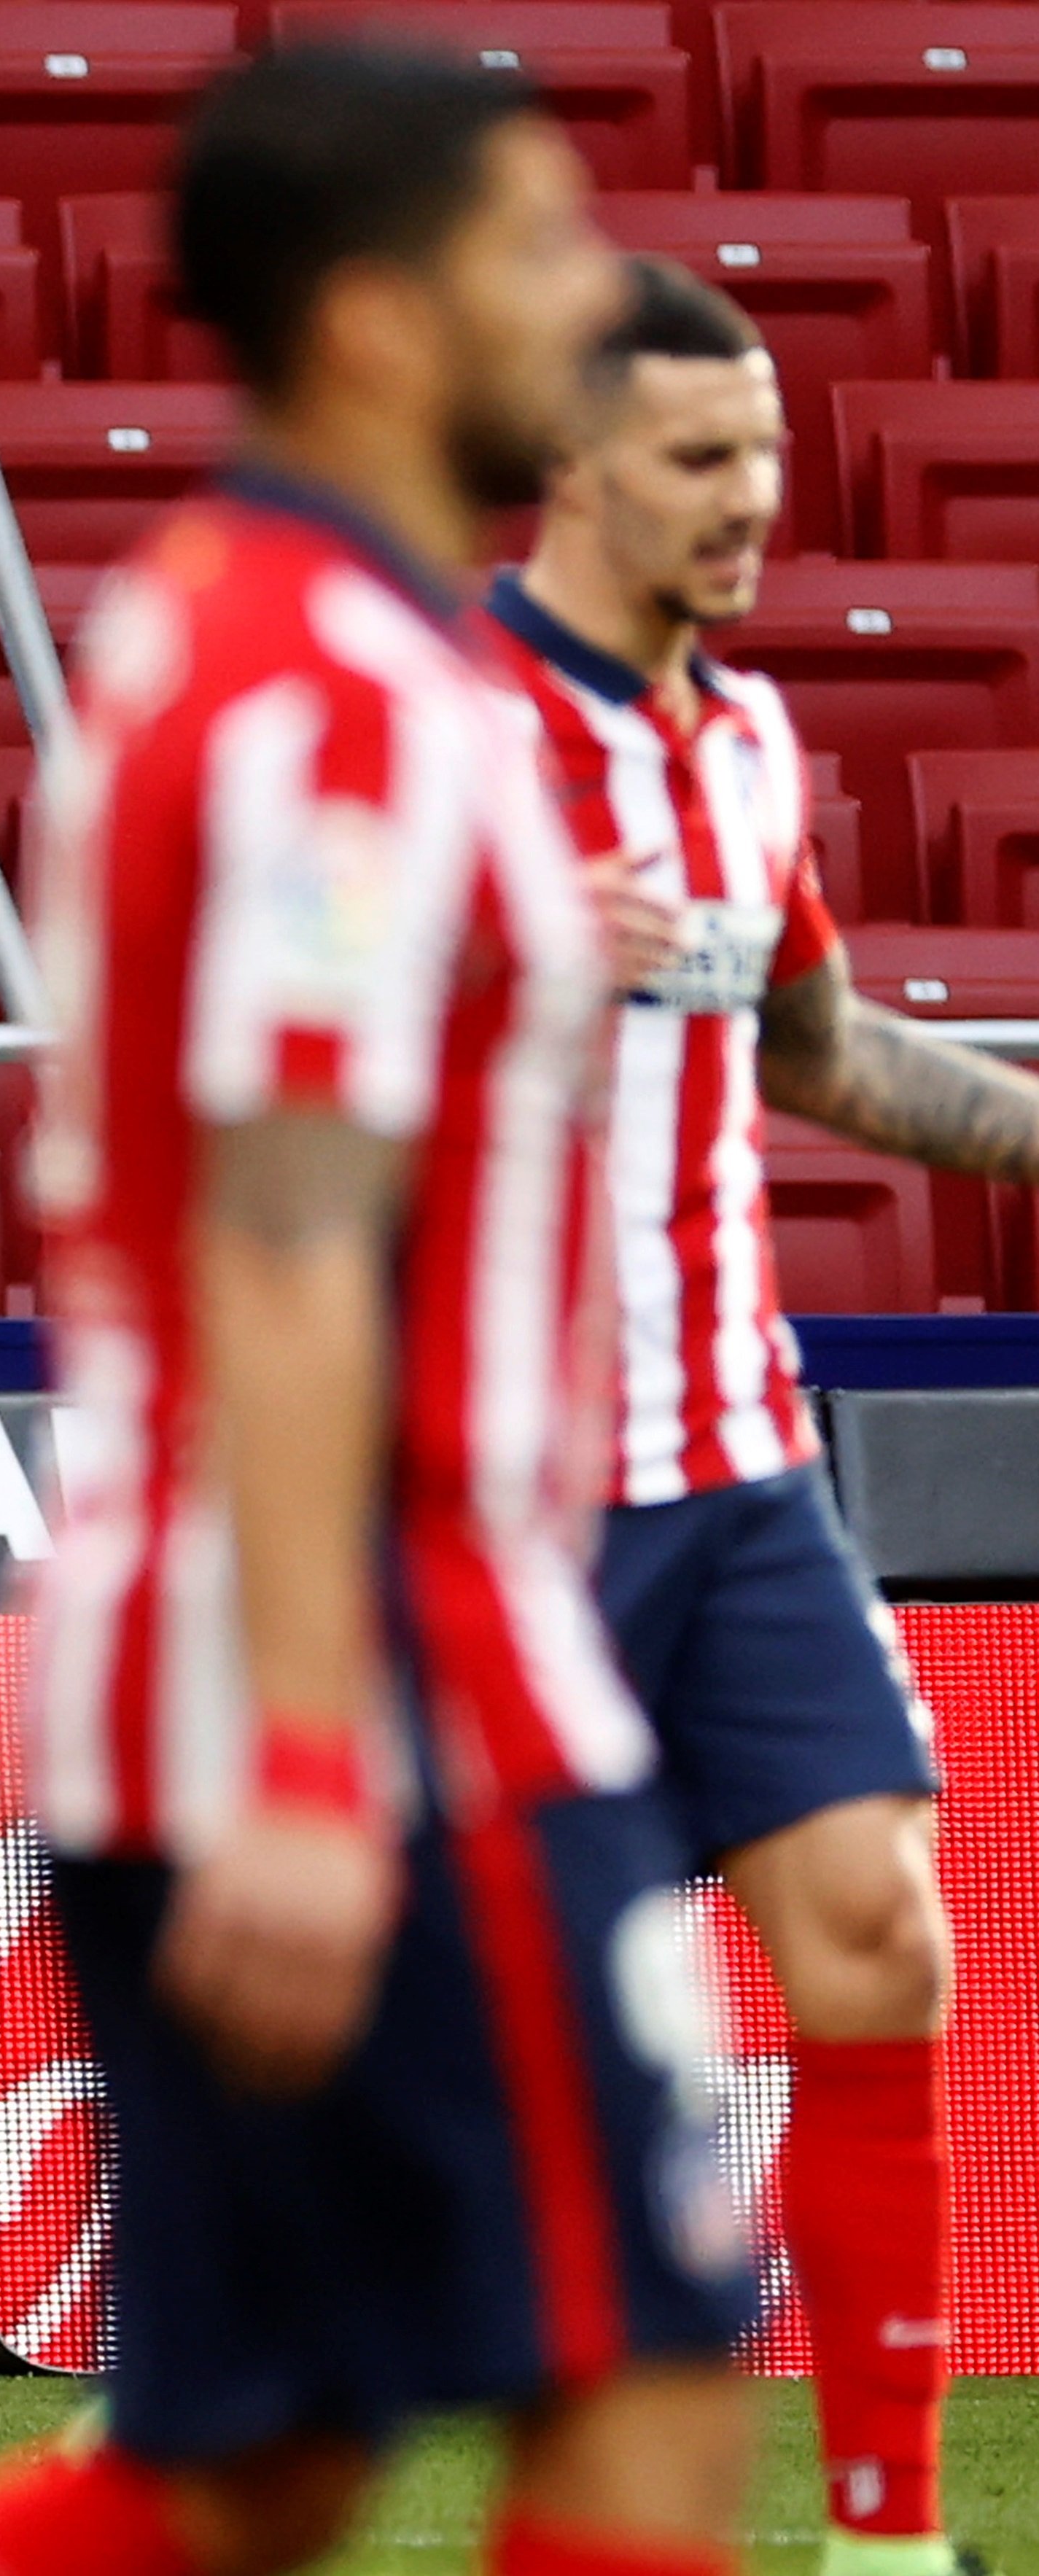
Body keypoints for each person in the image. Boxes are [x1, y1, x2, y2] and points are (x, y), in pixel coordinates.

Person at [0, 45, 760, 2576]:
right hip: (381, 1671)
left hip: (245, 1661)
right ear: (376, 319)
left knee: (258, 2469)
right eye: (537, 254)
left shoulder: (247, 641)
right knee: (647, 2389)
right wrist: (322, 1762)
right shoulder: (339, 698)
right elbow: (284, 1221)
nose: (586, 309)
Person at [493, 255, 1039, 2576]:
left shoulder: (736, 743)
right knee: (543, 2071)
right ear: (568, 463)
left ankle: (888, 2533)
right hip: (493, 1498)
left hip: (731, 1461)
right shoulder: (427, 734)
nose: (749, 503)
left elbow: (815, 1050)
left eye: (769, 460)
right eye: (701, 460)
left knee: (877, 1938)